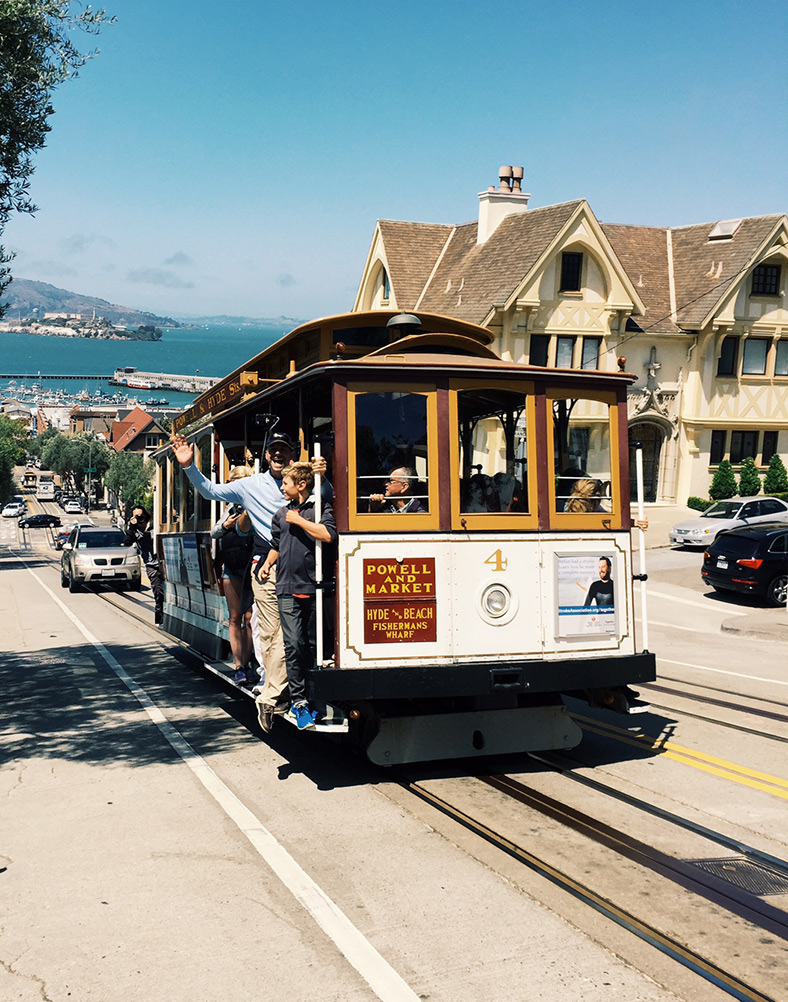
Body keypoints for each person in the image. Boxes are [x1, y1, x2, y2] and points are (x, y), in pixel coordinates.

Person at [170, 430, 329, 735]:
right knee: (272, 635)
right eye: (273, 450)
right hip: (271, 565)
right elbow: (209, 491)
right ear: (266, 455)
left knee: (301, 637)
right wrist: (188, 465)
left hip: (306, 564)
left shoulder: (304, 477)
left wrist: (323, 474)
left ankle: (294, 694)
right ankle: (276, 695)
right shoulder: (249, 486)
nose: (278, 454)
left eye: (284, 449)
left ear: (293, 451)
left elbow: (327, 499)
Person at [258, 463, 337, 730]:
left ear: (301, 485)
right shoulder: (281, 514)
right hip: (286, 588)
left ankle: (315, 701)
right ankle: (299, 702)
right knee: (293, 644)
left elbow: (327, 535)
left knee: (314, 646)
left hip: (313, 587)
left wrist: (300, 521)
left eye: (286, 483)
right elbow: (276, 546)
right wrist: (268, 564)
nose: (281, 487)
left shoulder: (318, 510)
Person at [210, 465, 256, 686]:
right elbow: (214, 531)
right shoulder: (229, 508)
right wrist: (226, 524)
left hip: (250, 565)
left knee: (249, 619)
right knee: (235, 617)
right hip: (231, 566)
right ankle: (239, 667)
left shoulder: (255, 503)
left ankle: (248, 663)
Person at [123, 505, 164, 624]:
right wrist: (131, 527)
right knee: (157, 591)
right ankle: (160, 619)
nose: (139, 518)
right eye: (136, 516)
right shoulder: (134, 530)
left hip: (163, 561)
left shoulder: (155, 525)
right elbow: (127, 543)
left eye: (141, 515)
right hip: (151, 564)